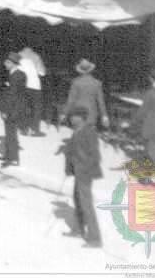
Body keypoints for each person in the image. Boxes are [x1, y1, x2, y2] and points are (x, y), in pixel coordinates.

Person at [61, 106, 103, 247]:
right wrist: (69, 168)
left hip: (85, 172)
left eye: (74, 116)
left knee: (86, 204)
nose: (72, 119)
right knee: (78, 199)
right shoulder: (77, 131)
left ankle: (95, 238)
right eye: (71, 116)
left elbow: (95, 155)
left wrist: (84, 169)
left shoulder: (89, 132)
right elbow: (72, 152)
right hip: (78, 171)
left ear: (82, 118)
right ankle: (78, 229)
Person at [62, 59, 109, 130]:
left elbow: (70, 100)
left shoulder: (76, 82)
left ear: (80, 71)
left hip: (77, 112)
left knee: (78, 132)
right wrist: (104, 115)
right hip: (92, 113)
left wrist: (64, 113)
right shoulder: (97, 83)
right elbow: (100, 101)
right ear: (91, 70)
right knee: (89, 133)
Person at [0, 52, 26, 168]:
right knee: (9, 132)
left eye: (8, 62)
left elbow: (12, 95)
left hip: (13, 108)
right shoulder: (16, 74)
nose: (5, 64)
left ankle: (13, 158)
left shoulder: (15, 76)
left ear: (13, 64)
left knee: (11, 133)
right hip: (15, 107)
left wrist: (6, 110)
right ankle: (8, 154)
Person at [19, 45, 46, 136]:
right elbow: (42, 73)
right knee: (36, 108)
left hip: (22, 85)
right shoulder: (36, 56)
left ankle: (23, 129)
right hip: (34, 85)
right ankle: (34, 130)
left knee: (24, 106)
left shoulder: (18, 55)